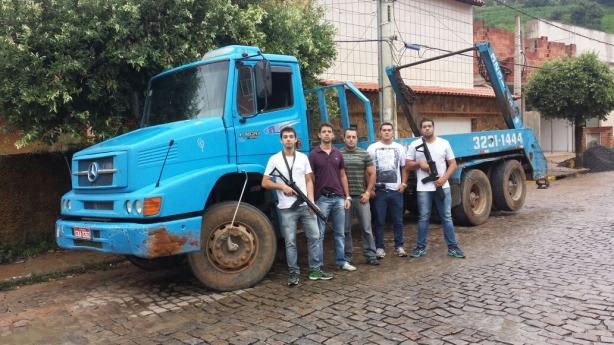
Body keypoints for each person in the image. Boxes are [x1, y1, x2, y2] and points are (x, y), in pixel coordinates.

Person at [262, 126, 334, 286]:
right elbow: (265, 182)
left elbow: (309, 180)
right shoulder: (274, 159)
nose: (288, 139)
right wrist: (282, 187)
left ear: (296, 140)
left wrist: (311, 202)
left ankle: (316, 270)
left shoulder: (303, 158)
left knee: (314, 237)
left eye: (291, 136)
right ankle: (293, 272)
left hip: (305, 205)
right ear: (281, 140)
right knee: (290, 241)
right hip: (287, 208)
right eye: (285, 137)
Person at [405, 118, 465, 259]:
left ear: (433, 128)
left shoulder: (444, 143)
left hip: (442, 186)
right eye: (424, 127)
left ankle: (452, 247)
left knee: (447, 217)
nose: (427, 129)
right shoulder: (415, 145)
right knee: (423, 217)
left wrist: (443, 179)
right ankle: (420, 247)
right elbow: (407, 165)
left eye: (429, 126)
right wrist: (420, 164)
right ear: (421, 129)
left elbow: (453, 164)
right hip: (423, 187)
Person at [309, 122, 356, 271]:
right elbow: (310, 178)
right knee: (320, 234)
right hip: (322, 198)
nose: (327, 134)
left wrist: (347, 196)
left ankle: (341, 262)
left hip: (338, 198)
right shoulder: (313, 154)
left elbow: (343, 176)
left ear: (333, 135)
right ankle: (319, 266)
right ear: (319, 135)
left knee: (339, 232)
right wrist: (312, 200)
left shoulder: (338, 153)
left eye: (329, 131)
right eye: (324, 132)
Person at [367, 122, 409, 258]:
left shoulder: (399, 148)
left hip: (396, 191)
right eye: (384, 130)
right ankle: (379, 247)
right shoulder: (372, 148)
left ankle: (399, 246)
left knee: (398, 220)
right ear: (379, 132)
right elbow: (367, 170)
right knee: (379, 221)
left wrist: (403, 184)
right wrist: (370, 188)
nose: (386, 132)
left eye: (389, 130)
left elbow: (404, 167)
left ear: (392, 132)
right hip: (379, 192)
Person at [341, 128, 380, 266]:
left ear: (357, 139)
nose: (351, 139)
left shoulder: (364, 154)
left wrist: (368, 192)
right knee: (345, 229)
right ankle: (347, 257)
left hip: (361, 196)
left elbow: (372, 174)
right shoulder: (338, 155)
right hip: (345, 198)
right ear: (343, 138)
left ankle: (370, 254)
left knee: (366, 227)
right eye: (348, 137)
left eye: (353, 137)